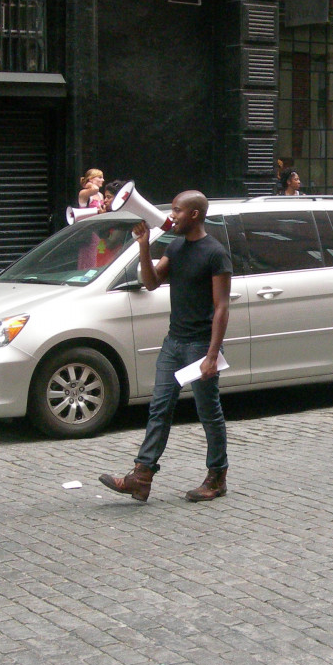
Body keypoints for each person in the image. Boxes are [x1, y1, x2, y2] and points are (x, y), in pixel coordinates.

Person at [99, 190, 231, 503]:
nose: (172, 215)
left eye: (177, 210)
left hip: (200, 345)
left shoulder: (215, 253)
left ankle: (217, 477)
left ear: (194, 214)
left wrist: (212, 355)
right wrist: (144, 246)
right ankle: (141, 477)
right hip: (174, 342)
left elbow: (222, 307)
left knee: (208, 412)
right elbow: (151, 282)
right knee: (159, 407)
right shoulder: (175, 246)